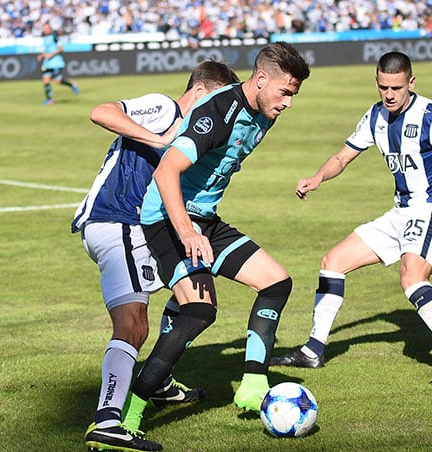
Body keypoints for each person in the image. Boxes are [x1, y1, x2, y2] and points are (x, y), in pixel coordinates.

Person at [121, 42, 310, 448]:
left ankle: (254, 384)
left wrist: (199, 225)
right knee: (199, 311)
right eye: (285, 92)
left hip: (205, 218)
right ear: (260, 80)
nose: (289, 103)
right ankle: (129, 415)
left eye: (294, 94)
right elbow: (166, 172)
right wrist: (188, 232)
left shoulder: (265, 110)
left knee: (277, 282)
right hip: (167, 219)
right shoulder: (217, 114)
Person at [270, 51, 432, 386]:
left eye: (397, 87)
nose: (390, 94)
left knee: (411, 277)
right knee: (332, 262)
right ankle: (313, 350)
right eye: (383, 87)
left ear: (411, 82)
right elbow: (343, 156)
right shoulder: (376, 116)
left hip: (430, 210)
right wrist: (317, 178)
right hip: (400, 211)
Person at [72, 61, 240, 452]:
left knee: (191, 294)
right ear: (199, 92)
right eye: (216, 101)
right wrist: (160, 139)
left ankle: (159, 381)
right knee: (133, 325)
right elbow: (102, 112)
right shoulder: (167, 108)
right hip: (116, 222)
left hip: (144, 230)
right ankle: (107, 421)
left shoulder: (198, 134)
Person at [37, 21, 78, 105]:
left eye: (47, 28)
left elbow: (61, 48)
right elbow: (47, 50)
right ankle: (49, 100)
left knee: (58, 81)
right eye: (44, 28)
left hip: (56, 62)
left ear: (50, 29)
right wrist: (42, 55)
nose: (45, 30)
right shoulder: (44, 38)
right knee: (46, 80)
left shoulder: (55, 37)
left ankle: (72, 84)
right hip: (47, 62)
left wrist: (51, 55)